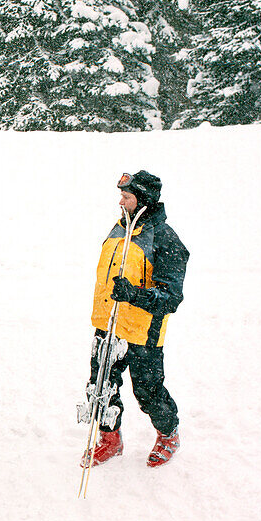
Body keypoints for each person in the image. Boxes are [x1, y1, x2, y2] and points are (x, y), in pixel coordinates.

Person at [84, 171, 189, 468]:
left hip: (144, 332)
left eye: (127, 197)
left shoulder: (165, 238)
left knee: (147, 391)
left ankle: (168, 434)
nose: (121, 201)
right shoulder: (118, 229)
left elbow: (171, 298)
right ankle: (110, 439)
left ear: (143, 199)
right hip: (108, 324)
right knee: (102, 386)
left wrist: (134, 295)